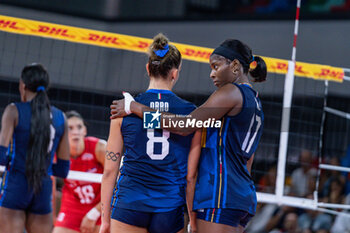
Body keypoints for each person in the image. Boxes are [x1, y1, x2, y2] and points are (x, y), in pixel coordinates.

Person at [110, 38, 267, 233]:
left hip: (220, 194)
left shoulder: (231, 92)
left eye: (216, 66)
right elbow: (248, 159)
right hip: (242, 195)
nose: (211, 74)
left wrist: (135, 107)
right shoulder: (256, 102)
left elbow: (184, 126)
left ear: (235, 65)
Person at [100, 33, 200, 233]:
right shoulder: (191, 113)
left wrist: (105, 219)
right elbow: (191, 176)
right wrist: (193, 221)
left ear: (148, 69)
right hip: (170, 206)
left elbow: (110, 171)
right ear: (175, 73)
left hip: (130, 203)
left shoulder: (123, 109)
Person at [0, 63, 70, 233]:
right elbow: (62, 169)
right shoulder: (61, 117)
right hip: (43, 186)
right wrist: (42, 167)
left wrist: (13, 162)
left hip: (17, 182)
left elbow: (1, 155)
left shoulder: (14, 110)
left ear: (22, 86)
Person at [53, 110, 106, 233]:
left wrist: (94, 213)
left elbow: (119, 181)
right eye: (70, 128)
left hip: (100, 204)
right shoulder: (56, 152)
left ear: (85, 131)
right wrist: (52, 216)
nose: (76, 132)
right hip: (72, 206)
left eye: (79, 127)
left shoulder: (99, 148)